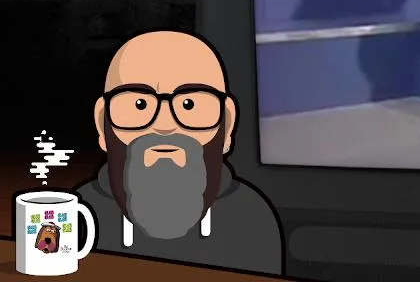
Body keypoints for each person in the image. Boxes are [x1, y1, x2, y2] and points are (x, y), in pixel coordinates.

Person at [76, 30, 282, 274]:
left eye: (189, 104)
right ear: (103, 123)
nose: (164, 125)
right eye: (140, 104)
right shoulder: (76, 215)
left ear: (227, 124)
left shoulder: (250, 219)